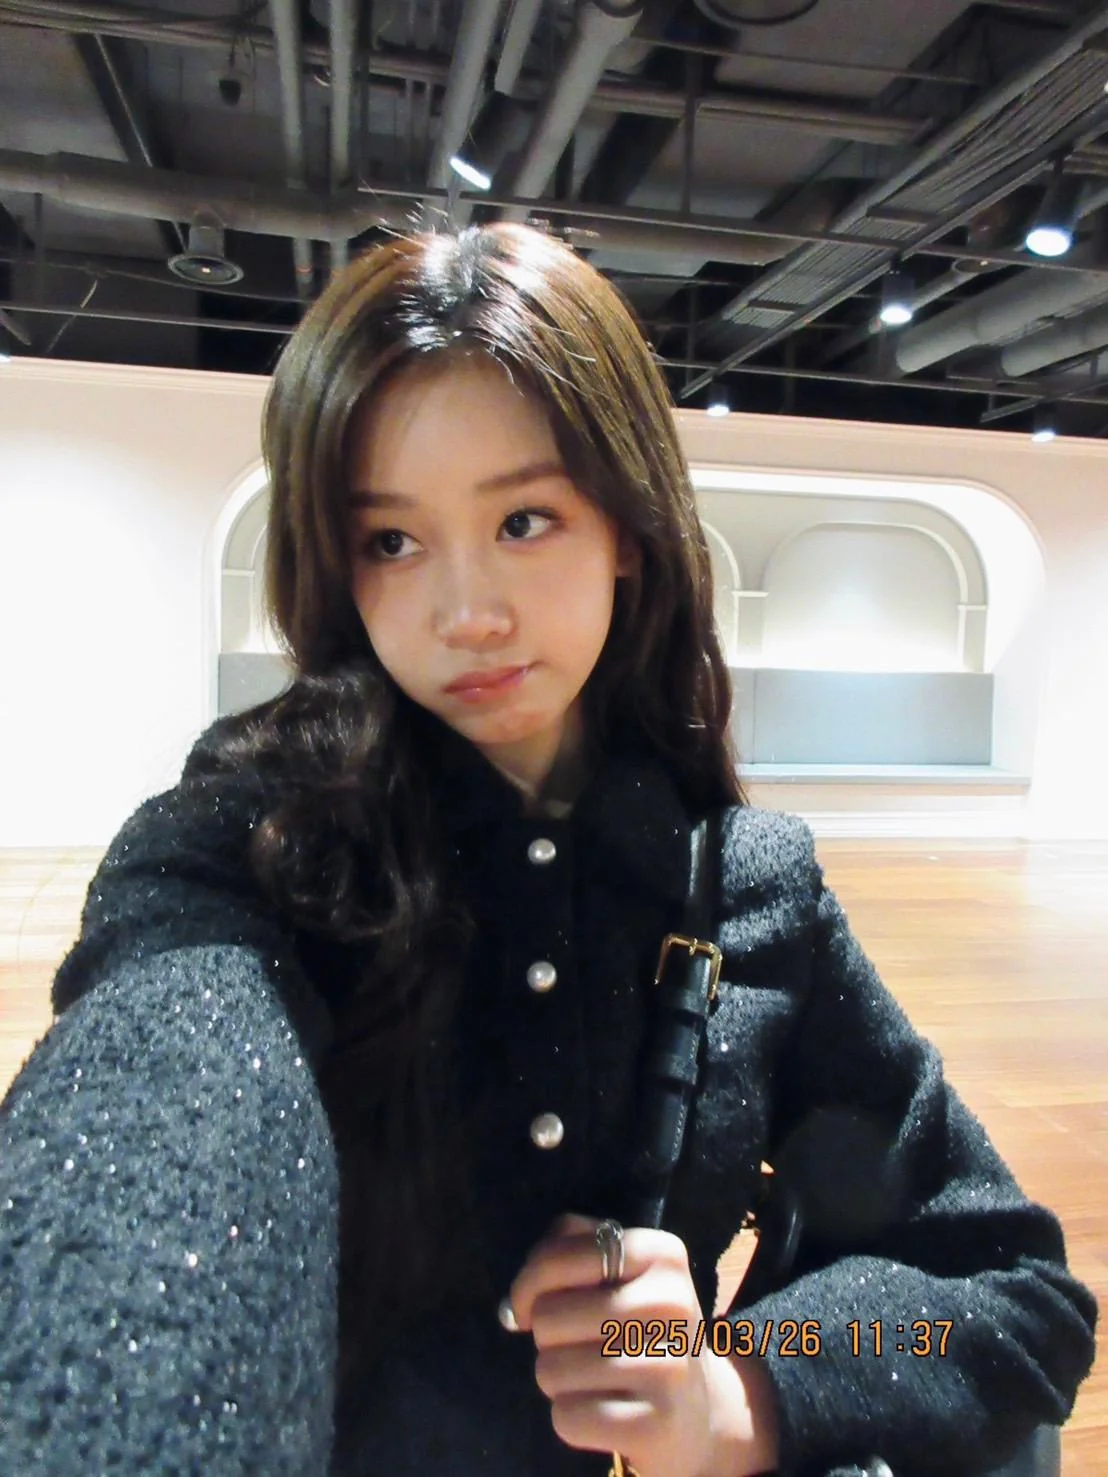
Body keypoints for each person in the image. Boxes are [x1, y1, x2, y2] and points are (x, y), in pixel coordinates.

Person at [0, 221, 1096, 1477]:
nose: (467, 613)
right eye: (391, 541)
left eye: (524, 519)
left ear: (625, 525)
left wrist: (742, 1386)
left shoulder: (745, 887)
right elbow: (137, 1180)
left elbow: (1014, 1291)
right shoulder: (251, 848)